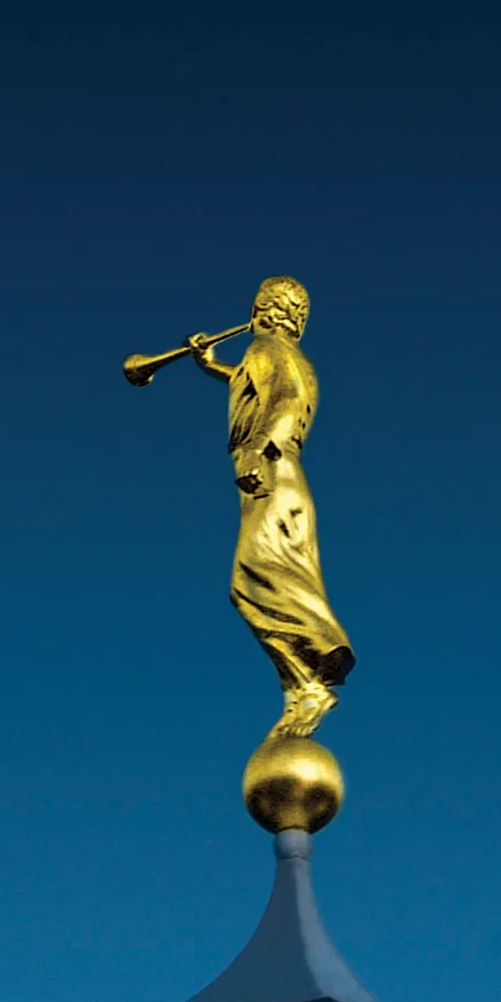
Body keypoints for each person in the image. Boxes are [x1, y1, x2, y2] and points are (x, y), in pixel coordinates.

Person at [189, 277, 355, 741]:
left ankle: (317, 660)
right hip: (284, 479)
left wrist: (255, 450)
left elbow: (282, 401)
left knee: (252, 580)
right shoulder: (284, 357)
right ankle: (304, 685)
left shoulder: (266, 349)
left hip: (272, 471)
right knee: (260, 581)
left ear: (265, 309)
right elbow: (257, 384)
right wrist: (213, 366)